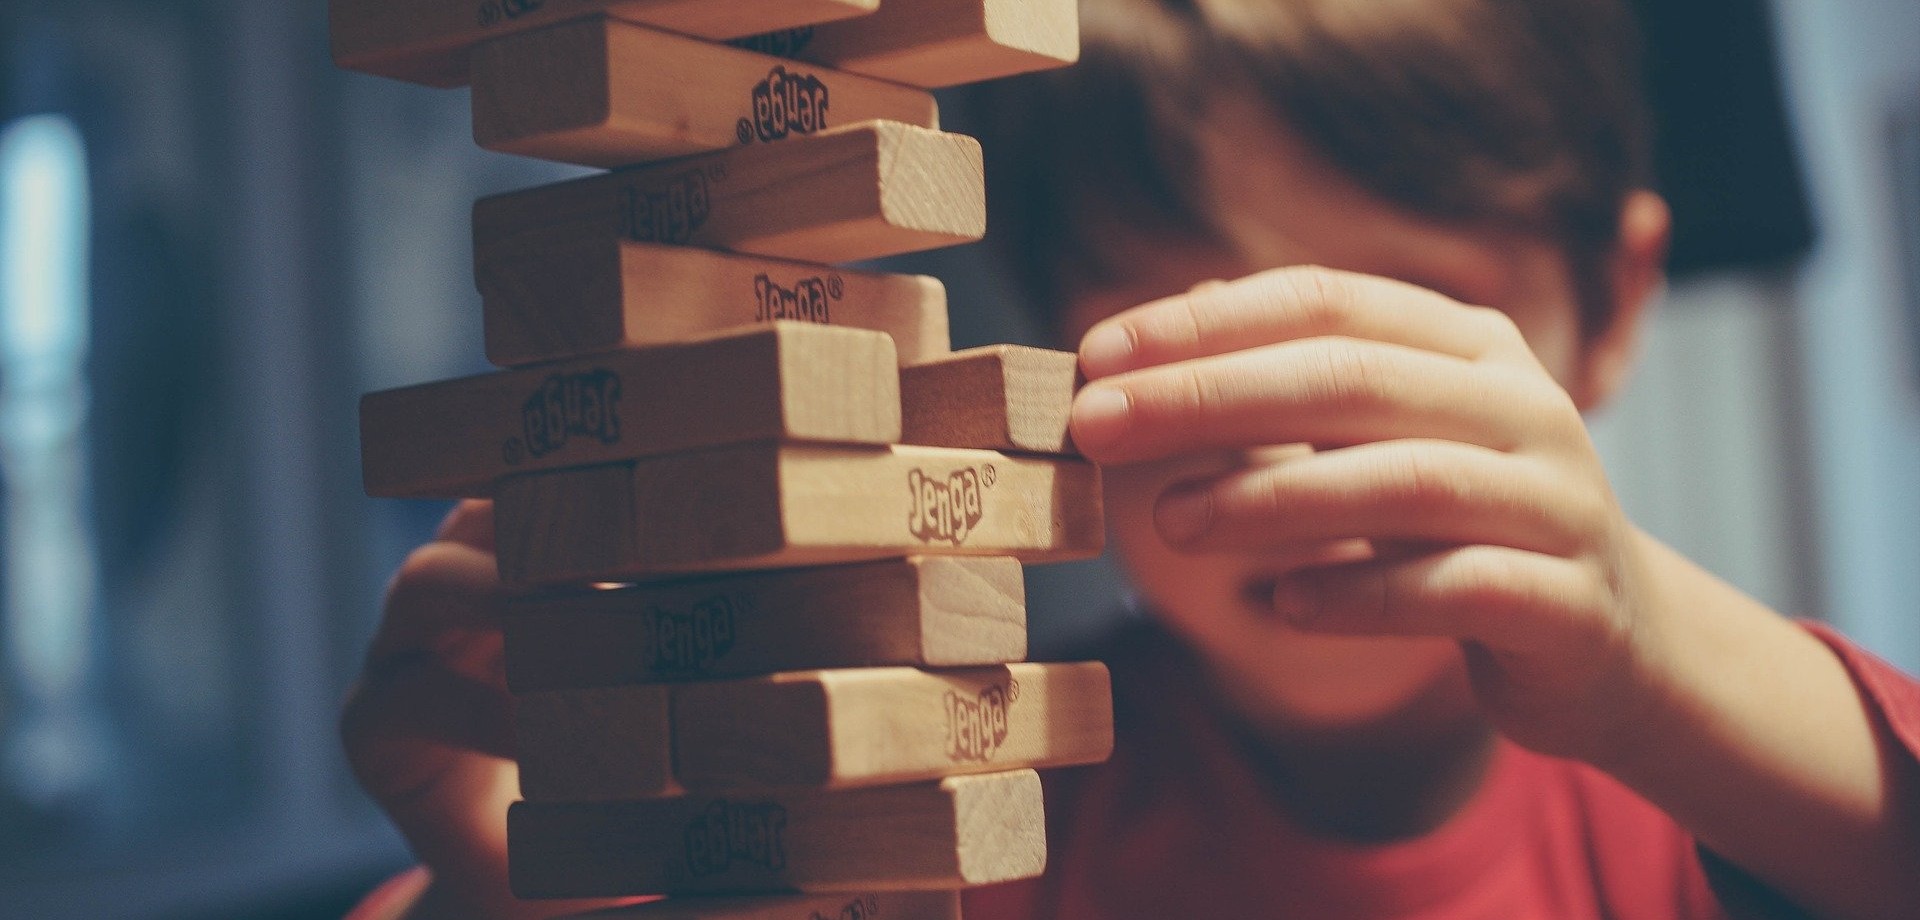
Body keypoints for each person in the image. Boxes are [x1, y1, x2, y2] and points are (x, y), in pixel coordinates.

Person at [342, 1, 1920, 918]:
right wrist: (555, 877)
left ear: (1613, 306)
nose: (1301, 443)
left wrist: (1644, 655)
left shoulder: (1722, 813)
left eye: (1410, 323)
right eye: (1187, 332)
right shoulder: (970, 807)